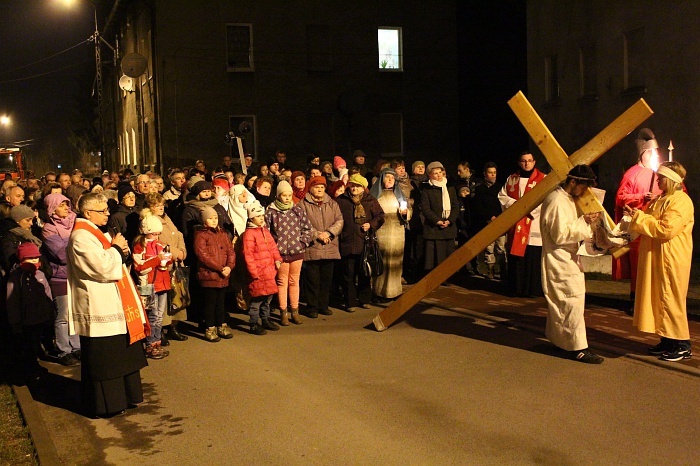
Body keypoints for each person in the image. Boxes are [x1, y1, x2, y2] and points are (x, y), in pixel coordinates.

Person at [67, 193, 149, 417]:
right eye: (102, 211)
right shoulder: (81, 237)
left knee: (122, 355)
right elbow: (101, 268)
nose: (107, 214)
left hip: (115, 301)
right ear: (87, 213)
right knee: (106, 360)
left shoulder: (97, 234)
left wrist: (118, 250)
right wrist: (115, 248)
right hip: (99, 305)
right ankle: (108, 404)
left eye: (106, 210)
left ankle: (126, 396)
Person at [625, 161, 693, 362]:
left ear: (671, 180)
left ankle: (682, 344)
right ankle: (667, 340)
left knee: (670, 298)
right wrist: (635, 217)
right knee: (658, 298)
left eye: (661, 178)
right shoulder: (660, 199)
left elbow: (666, 229)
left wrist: (640, 218)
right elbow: (647, 221)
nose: (657, 181)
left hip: (670, 256)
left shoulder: (680, 201)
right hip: (656, 255)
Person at [540, 165, 603, 364]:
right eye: (583, 186)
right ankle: (578, 348)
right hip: (559, 259)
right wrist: (583, 221)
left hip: (568, 258)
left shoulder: (567, 199)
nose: (584, 192)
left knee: (565, 304)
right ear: (573, 182)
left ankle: (561, 342)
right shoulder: (556, 200)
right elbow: (559, 234)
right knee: (571, 302)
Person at [614, 128, 664, 314]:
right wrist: (642, 196)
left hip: (658, 228)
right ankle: (637, 301)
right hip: (638, 228)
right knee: (639, 266)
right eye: (649, 152)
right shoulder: (632, 174)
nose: (652, 155)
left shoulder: (664, 173)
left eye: (655, 152)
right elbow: (621, 197)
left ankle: (656, 302)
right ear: (642, 153)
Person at [265, 181, 313, 325]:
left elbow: (308, 229)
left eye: (289, 195)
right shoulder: (271, 212)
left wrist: (302, 243)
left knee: (294, 281)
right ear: (278, 195)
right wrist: (274, 249)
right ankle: (283, 311)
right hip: (280, 254)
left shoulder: (297, 210)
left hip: (296, 252)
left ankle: (295, 310)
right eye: (284, 195)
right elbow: (266, 232)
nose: (287, 198)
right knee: (282, 282)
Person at [6, 242, 55, 382]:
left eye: (36, 257)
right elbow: (12, 302)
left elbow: (48, 294)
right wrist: (15, 322)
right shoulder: (16, 278)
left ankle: (34, 368)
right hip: (26, 321)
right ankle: (29, 371)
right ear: (22, 259)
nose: (34, 260)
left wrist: (50, 311)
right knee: (28, 347)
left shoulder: (40, 274)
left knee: (35, 345)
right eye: (30, 258)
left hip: (40, 318)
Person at [41, 193, 81, 366]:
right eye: (62, 205)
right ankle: (64, 349)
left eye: (67, 204)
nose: (67, 208)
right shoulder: (49, 229)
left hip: (76, 276)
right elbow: (61, 254)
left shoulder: (75, 222)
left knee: (75, 314)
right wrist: (78, 245)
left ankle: (77, 347)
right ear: (52, 208)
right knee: (63, 316)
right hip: (60, 277)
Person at [498, 151, 546, 295]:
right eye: (524, 161)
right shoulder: (512, 179)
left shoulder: (543, 179)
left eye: (529, 161)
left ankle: (533, 290)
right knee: (517, 258)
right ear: (519, 162)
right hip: (517, 224)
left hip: (534, 222)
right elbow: (502, 196)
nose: (527, 164)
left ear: (534, 162)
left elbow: (546, 199)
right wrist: (518, 207)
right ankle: (516, 289)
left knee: (533, 257)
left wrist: (529, 210)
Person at [144, 193, 188, 343]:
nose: (160, 207)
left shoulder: (167, 219)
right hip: (163, 266)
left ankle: (173, 327)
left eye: (161, 204)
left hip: (175, 263)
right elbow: (159, 243)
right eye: (156, 205)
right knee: (163, 303)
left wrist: (182, 251)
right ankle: (160, 331)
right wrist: (177, 254)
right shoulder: (151, 223)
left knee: (176, 297)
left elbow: (179, 235)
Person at [337, 174, 384, 311]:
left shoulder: (370, 200)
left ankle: (364, 299)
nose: (354, 188)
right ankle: (350, 302)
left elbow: (380, 216)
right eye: (352, 185)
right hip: (347, 242)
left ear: (363, 188)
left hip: (365, 243)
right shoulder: (341, 201)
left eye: (358, 186)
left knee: (364, 272)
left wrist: (371, 224)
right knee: (348, 274)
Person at [299, 176, 344, 318]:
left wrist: (329, 233)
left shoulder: (332, 203)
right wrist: (318, 234)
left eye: (322, 187)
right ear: (311, 188)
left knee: (326, 279)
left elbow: (339, 220)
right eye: (317, 187)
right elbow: (301, 223)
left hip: (329, 245)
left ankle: (324, 305)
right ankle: (312, 307)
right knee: (312, 279)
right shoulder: (302, 204)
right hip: (313, 246)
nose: (319, 189)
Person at [132, 210, 172, 359]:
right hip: (148, 284)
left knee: (159, 316)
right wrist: (157, 260)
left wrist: (168, 260)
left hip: (162, 282)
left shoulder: (159, 244)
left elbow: (164, 262)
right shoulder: (139, 245)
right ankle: (151, 344)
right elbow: (139, 267)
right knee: (153, 316)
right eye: (153, 234)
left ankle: (157, 342)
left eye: (157, 234)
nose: (156, 237)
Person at [193, 206, 236, 342]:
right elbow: (203, 255)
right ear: (205, 220)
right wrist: (219, 267)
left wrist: (229, 266)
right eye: (210, 218)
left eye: (215, 218)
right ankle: (210, 327)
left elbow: (230, 251)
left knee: (220, 302)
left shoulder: (222, 234)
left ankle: (221, 325)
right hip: (210, 274)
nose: (214, 221)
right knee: (210, 303)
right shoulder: (201, 235)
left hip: (223, 274)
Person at [243, 201, 283, 334]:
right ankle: (253, 323)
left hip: (269, 271)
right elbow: (248, 254)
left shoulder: (265, 231)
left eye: (262, 215)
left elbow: (273, 247)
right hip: (259, 272)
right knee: (257, 300)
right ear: (251, 217)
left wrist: (277, 259)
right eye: (258, 216)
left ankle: (265, 319)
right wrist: (253, 272)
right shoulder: (249, 234)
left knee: (268, 298)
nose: (261, 218)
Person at [369, 168, 407, 301]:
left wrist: (405, 213)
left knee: (396, 262)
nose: (390, 180)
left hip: (397, 233)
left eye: (392, 177)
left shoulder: (399, 195)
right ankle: (379, 291)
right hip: (382, 232)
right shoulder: (375, 195)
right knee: (382, 262)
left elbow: (408, 210)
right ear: (382, 179)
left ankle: (394, 291)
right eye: (387, 177)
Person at [420, 162, 459, 274]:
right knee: (435, 256)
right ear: (430, 175)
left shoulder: (450, 188)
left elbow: (455, 206)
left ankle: (447, 276)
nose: (438, 175)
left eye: (440, 172)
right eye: (435, 173)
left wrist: (450, 220)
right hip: (434, 229)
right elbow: (426, 209)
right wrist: (437, 221)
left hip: (448, 227)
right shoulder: (427, 190)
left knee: (448, 254)